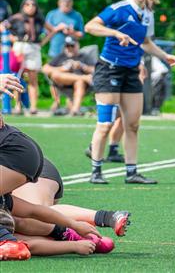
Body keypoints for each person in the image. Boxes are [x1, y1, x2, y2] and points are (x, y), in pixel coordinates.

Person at [84, 0, 175, 184]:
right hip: (109, 69)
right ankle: (96, 171)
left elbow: (145, 42)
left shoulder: (148, 14)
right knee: (105, 124)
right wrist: (115, 33)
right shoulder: (118, 9)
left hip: (131, 72)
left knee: (133, 124)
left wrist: (165, 57)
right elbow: (90, 26)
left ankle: (131, 172)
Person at [0, 80, 100, 260]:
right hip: (18, 149)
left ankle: (65, 233)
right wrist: (75, 233)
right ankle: (64, 232)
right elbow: (34, 213)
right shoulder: (5, 203)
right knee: (24, 221)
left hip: (12, 151)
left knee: (22, 223)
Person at [6, 0, 53, 115]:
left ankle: (33, 107)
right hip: (20, 47)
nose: (30, 7)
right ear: (23, 6)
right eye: (27, 4)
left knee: (33, 78)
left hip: (33, 48)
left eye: (33, 5)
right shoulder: (17, 17)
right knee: (17, 78)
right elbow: (3, 26)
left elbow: (52, 30)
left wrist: (42, 42)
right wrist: (12, 38)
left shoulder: (39, 19)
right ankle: (17, 106)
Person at [42, 36, 94, 116]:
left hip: (81, 86)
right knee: (55, 74)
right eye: (67, 46)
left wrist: (82, 66)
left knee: (79, 82)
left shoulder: (84, 56)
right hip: (62, 83)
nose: (69, 48)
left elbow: (95, 69)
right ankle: (83, 78)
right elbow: (45, 68)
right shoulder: (61, 56)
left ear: (77, 45)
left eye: (72, 45)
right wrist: (62, 68)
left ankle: (75, 110)